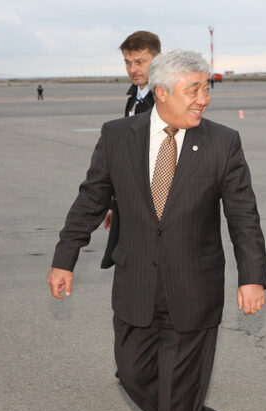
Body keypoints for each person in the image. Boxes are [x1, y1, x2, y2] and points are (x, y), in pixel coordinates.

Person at [47, 49, 266, 411]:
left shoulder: (223, 142)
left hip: (195, 288)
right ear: (162, 92)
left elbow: (243, 215)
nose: (204, 99)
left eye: (207, 88)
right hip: (136, 284)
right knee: (132, 375)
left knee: (181, 389)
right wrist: (64, 256)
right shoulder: (117, 136)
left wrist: (253, 275)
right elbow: (91, 199)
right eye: (194, 90)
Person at [101, 31, 163, 270]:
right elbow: (125, 158)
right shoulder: (133, 99)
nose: (133, 69)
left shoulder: (162, 100)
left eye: (140, 62)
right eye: (128, 62)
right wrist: (115, 204)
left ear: (157, 60)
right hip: (131, 202)